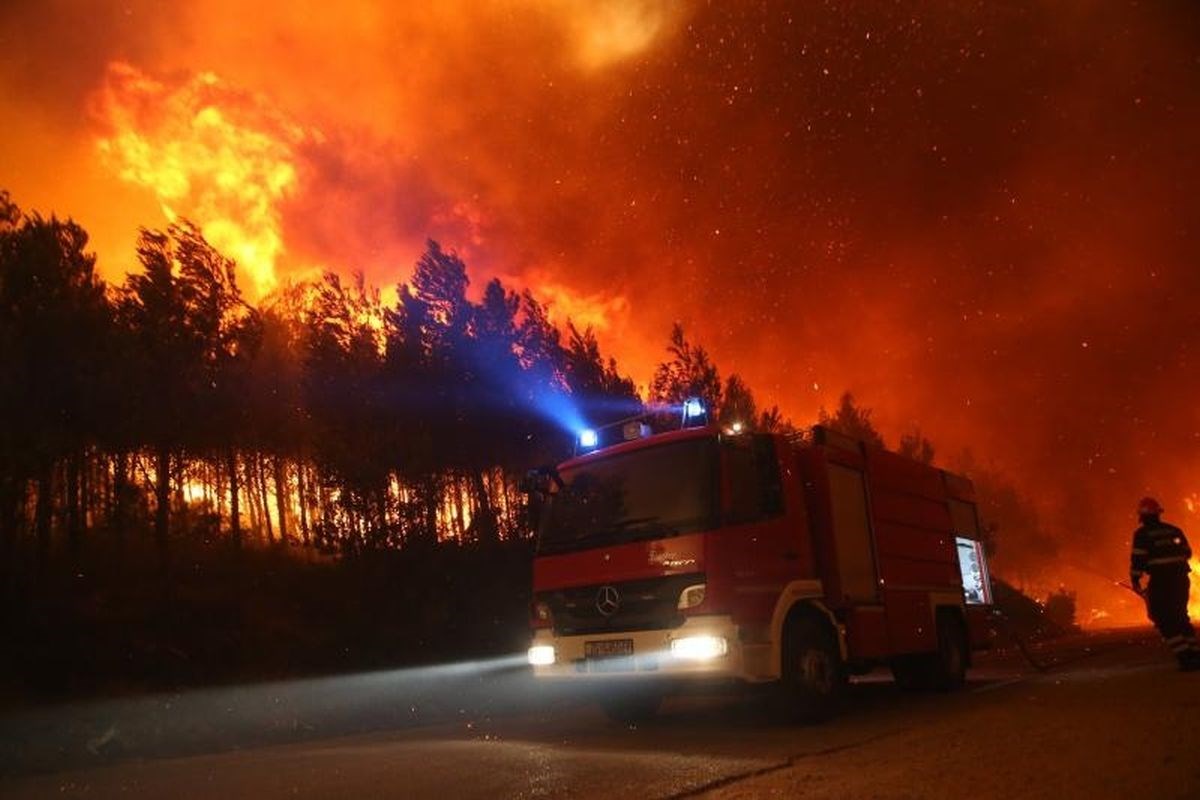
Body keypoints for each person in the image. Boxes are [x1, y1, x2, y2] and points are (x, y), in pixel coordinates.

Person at [1130, 497, 1199, 670]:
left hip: (1162, 582)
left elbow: (1138, 558)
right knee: (1180, 617)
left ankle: (1185, 658)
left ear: (1142, 517)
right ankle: (1195, 654)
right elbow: (1187, 553)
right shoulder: (1174, 530)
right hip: (1181, 580)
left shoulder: (1142, 534)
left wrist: (1135, 579)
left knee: (1163, 619)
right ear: (1158, 514)